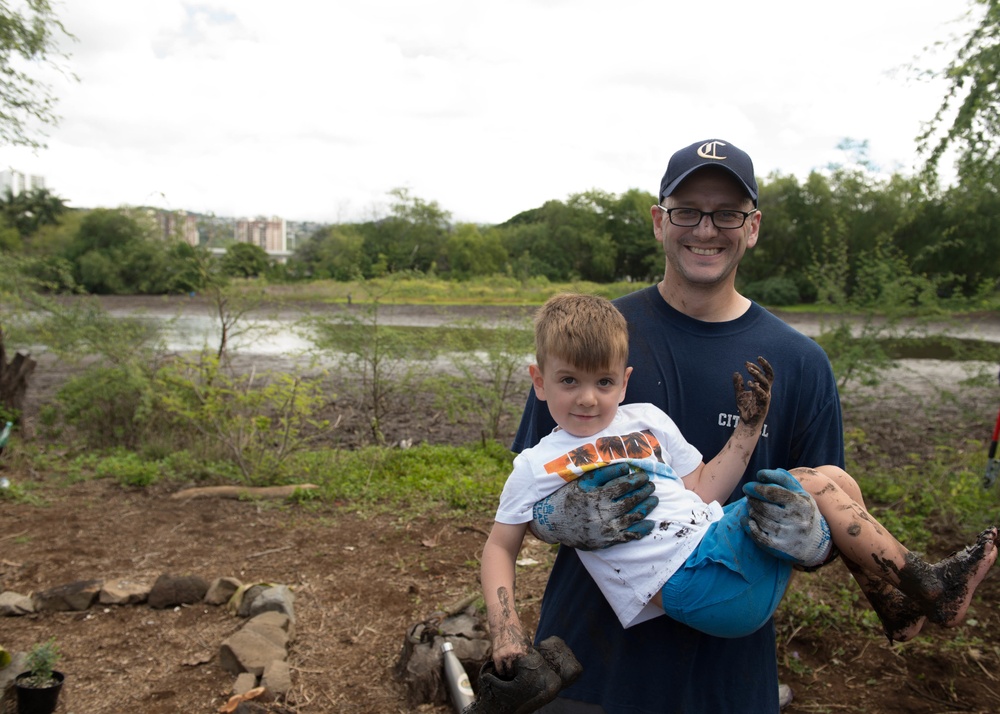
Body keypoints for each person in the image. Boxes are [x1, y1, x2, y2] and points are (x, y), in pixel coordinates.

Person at [480, 294, 997, 689]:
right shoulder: (535, 463)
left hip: (718, 557)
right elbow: (501, 546)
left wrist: (748, 430)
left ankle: (896, 604)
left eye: (604, 382)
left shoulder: (648, 423)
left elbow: (705, 489)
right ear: (539, 380)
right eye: (568, 381)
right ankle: (932, 588)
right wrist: (506, 631)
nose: (588, 399)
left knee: (833, 479)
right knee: (815, 483)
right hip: (693, 586)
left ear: (625, 378)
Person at [511, 138, 846, 714]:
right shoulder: (595, 339)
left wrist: (816, 543)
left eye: (727, 214)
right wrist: (554, 518)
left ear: (754, 226)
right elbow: (525, 490)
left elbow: (833, 497)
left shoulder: (799, 362)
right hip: (589, 671)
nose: (706, 230)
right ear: (659, 221)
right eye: (687, 211)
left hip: (728, 680)